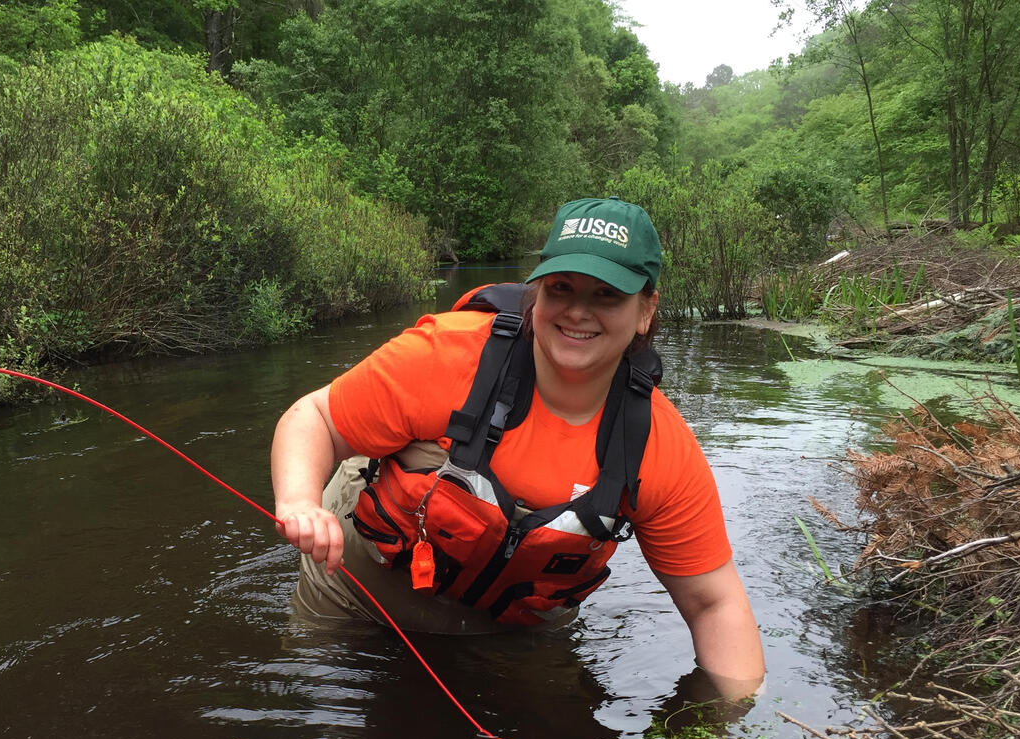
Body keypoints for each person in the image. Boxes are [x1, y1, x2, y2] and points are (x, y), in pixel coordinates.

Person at [270, 197, 764, 698]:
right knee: (310, 694)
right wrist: (299, 503)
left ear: (645, 311)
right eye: (561, 288)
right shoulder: (443, 355)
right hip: (356, 590)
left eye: (607, 295)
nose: (577, 311)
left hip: (513, 630)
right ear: (536, 294)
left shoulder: (659, 445)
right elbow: (314, 419)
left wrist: (735, 723)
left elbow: (714, 603)